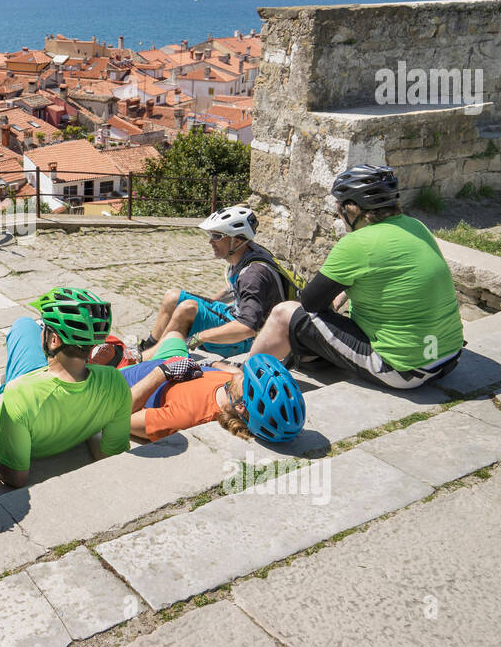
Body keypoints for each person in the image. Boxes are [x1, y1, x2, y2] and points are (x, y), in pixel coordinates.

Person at [250, 164, 464, 389]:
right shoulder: (416, 226)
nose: (338, 212)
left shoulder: (356, 244)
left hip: (403, 369)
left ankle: (243, 381)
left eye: (339, 205)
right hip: (449, 356)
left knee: (284, 313)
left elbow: (310, 304)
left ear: (352, 209)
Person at [0, 287, 131, 489]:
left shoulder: (20, 392)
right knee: (24, 325)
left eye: (45, 328)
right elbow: (110, 454)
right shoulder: (115, 382)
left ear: (54, 340)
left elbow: (15, 477)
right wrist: (86, 423)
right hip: (32, 384)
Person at [138, 205, 289, 360]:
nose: (210, 241)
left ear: (236, 240)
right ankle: (147, 349)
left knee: (187, 309)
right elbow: (232, 289)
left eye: (217, 236)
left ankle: (150, 359)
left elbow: (247, 328)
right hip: (235, 316)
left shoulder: (253, 274)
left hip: (248, 339)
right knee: (173, 297)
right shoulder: (248, 253)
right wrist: (207, 306)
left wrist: (199, 337)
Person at [119, 338, 305, 444]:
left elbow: (121, 420)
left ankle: (128, 359)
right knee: (175, 337)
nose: (243, 372)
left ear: (240, 407)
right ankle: (137, 356)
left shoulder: (186, 416)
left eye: (248, 379)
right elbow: (232, 370)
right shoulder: (234, 386)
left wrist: (161, 374)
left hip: (123, 381)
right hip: (176, 361)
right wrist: (209, 364)